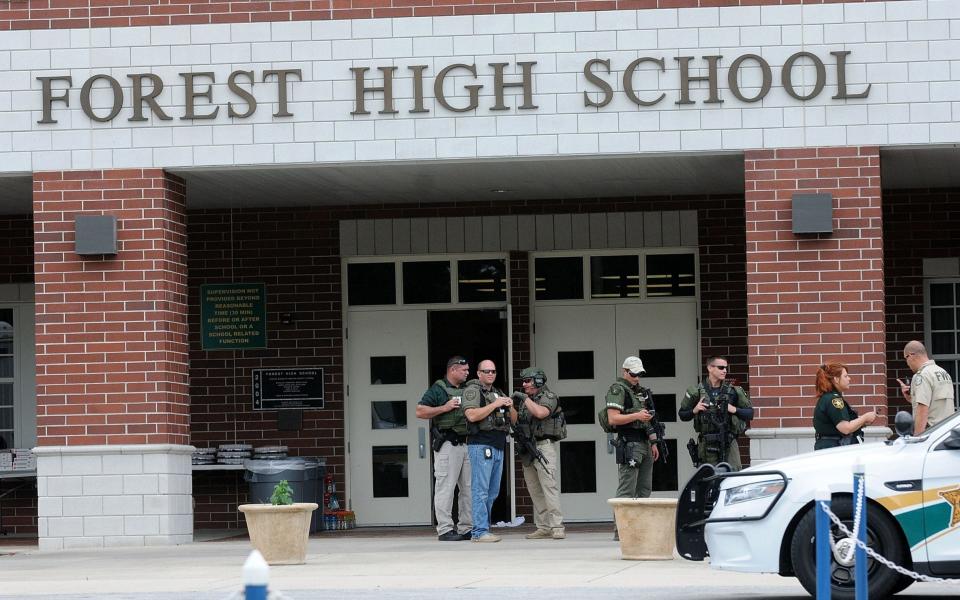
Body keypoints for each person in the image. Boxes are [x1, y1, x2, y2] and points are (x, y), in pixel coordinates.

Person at [416, 355, 472, 541]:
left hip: (467, 444)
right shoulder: (438, 389)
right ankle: (445, 529)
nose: (467, 373)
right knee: (445, 488)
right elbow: (420, 411)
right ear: (453, 369)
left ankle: (466, 528)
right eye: (464, 370)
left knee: (468, 489)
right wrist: (445, 407)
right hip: (448, 444)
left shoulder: (468, 389)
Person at [461, 360, 515, 543]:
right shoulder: (472, 391)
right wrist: (495, 404)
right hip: (481, 444)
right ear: (478, 373)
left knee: (493, 492)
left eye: (493, 371)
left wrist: (510, 405)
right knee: (480, 490)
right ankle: (479, 532)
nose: (491, 374)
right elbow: (471, 415)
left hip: (498, 444)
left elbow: (513, 420)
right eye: (486, 371)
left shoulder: (497, 392)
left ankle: (484, 528)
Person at [514, 366, 567, 540]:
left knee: (549, 487)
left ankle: (557, 526)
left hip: (543, 446)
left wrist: (523, 398)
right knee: (534, 490)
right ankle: (543, 526)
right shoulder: (526, 400)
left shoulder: (548, 397)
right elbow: (517, 420)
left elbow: (541, 412)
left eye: (527, 381)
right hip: (528, 448)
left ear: (538, 380)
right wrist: (508, 406)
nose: (524, 384)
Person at [679, 356, 753, 470]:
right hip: (707, 445)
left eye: (726, 368)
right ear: (710, 368)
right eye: (721, 367)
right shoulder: (695, 391)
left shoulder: (734, 391)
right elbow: (682, 415)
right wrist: (695, 410)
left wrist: (733, 409)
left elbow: (749, 414)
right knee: (709, 477)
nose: (725, 371)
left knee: (732, 475)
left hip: (728, 441)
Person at [606, 357, 659, 505]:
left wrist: (653, 442)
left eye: (639, 374)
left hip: (645, 443)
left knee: (644, 490)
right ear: (625, 371)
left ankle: (639, 527)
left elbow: (649, 419)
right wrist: (637, 415)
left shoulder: (641, 392)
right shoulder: (617, 389)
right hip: (630, 443)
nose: (637, 378)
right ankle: (621, 528)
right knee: (627, 490)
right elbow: (613, 418)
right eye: (633, 374)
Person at [813, 363, 878, 450]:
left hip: (831, 448)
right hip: (834, 450)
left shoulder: (829, 397)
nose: (849, 379)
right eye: (845, 376)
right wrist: (865, 418)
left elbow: (836, 426)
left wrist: (862, 423)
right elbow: (845, 428)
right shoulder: (834, 399)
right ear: (836, 379)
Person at [898, 341, 956, 435]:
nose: (907, 363)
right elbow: (936, 403)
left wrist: (917, 438)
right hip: (947, 434)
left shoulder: (921, 376)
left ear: (911, 355)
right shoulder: (943, 372)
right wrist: (910, 398)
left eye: (906, 358)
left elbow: (922, 409)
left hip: (931, 435)